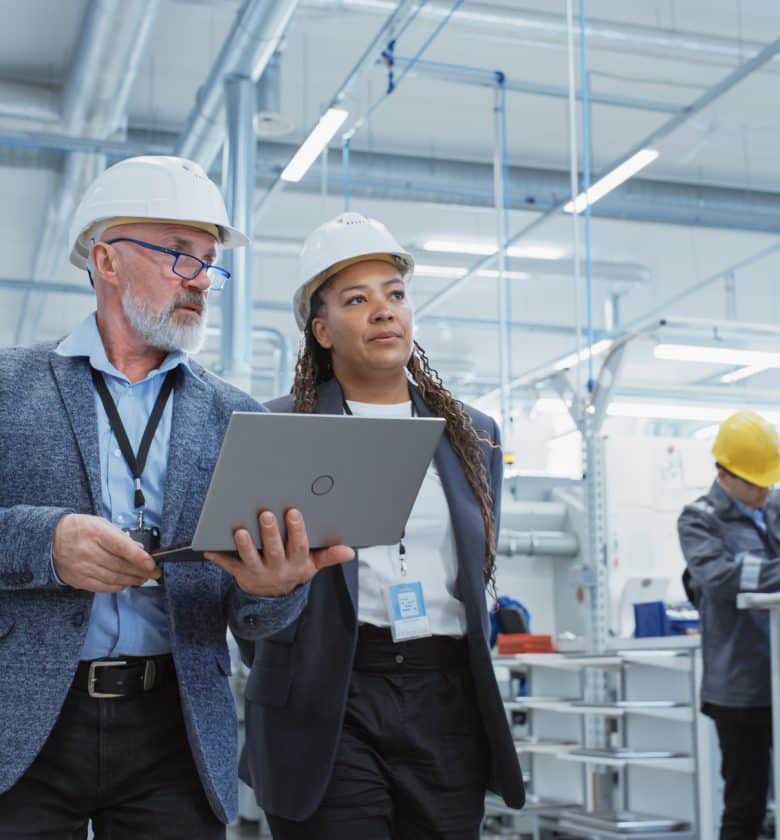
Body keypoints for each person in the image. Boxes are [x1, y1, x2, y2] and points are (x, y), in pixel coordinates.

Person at [0, 155, 352, 840]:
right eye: (178, 256)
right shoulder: (9, 388)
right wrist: (46, 545)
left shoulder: (237, 416)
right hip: (24, 725)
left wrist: (276, 587)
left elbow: (255, 621)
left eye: (209, 264)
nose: (201, 282)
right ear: (106, 260)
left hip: (176, 729)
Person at [239, 212, 525, 839]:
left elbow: (477, 567)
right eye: (357, 299)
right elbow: (246, 586)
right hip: (327, 697)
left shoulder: (474, 434)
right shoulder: (278, 428)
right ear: (321, 330)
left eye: (394, 294)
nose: (383, 311)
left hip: (444, 696)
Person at [678, 410, 780, 840]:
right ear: (724, 475)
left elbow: (751, 572)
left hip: (776, 675)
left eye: (768, 480)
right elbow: (721, 579)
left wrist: (757, 569)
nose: (763, 490)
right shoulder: (699, 519)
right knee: (746, 806)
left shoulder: (773, 504)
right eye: (754, 482)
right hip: (740, 687)